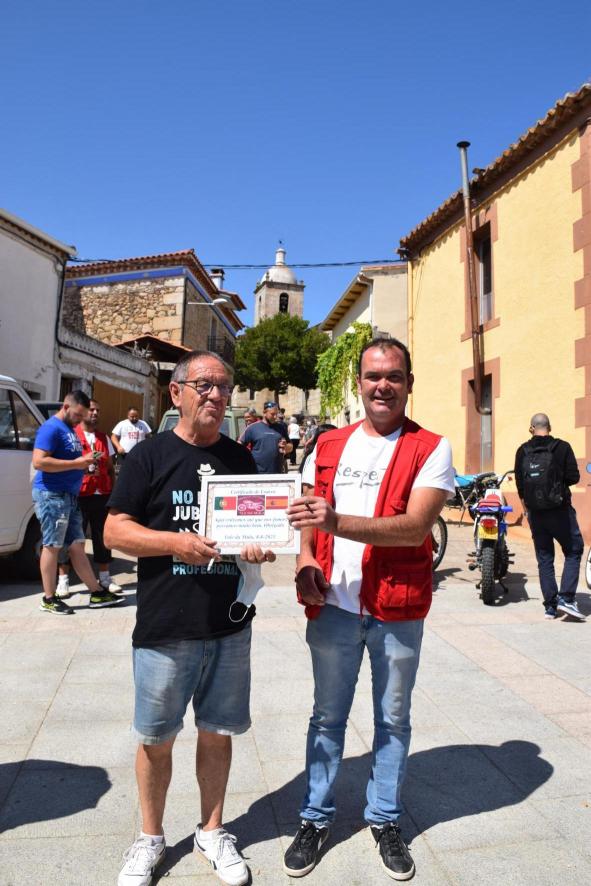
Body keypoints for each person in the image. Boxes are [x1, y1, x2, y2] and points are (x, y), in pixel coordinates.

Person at [283, 337, 454, 880]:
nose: (383, 386)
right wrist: (305, 558)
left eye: (393, 376)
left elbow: (414, 528)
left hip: (396, 608)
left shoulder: (431, 448)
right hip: (332, 606)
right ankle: (315, 817)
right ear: (358, 383)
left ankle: (385, 819)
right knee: (326, 718)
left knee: (392, 719)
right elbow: (306, 513)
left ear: (408, 383)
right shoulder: (328, 444)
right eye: (373, 376)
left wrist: (336, 523)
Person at [104, 350, 277, 886]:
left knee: (218, 733)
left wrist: (258, 546)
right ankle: (150, 838)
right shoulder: (148, 456)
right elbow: (113, 532)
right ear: (176, 392)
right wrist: (174, 543)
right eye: (204, 384)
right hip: (165, 626)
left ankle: (212, 830)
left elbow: (254, 529)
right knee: (155, 739)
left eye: (224, 386)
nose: (216, 395)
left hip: (228, 623)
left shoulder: (239, 458)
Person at [31, 391, 124, 614]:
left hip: (69, 497)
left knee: (77, 546)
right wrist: (77, 463)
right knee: (52, 546)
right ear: (66, 407)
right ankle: (48, 598)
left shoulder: (69, 429)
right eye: (78, 415)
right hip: (52, 495)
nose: (80, 419)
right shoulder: (51, 428)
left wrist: (83, 466)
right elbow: (39, 461)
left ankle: (97, 592)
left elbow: (70, 461)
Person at [514, 413, 586, 621]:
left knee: (545, 557)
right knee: (574, 549)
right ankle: (567, 598)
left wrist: (527, 511)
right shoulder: (562, 447)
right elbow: (574, 477)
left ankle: (551, 607)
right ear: (550, 427)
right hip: (560, 511)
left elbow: (520, 485)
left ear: (531, 428)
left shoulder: (522, 451)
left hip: (535, 513)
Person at [56, 400, 122, 599]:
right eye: (91, 410)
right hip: (78, 494)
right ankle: (63, 581)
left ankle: (105, 578)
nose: (95, 413)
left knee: (102, 537)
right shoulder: (71, 435)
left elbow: (109, 467)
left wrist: (114, 493)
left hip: (101, 494)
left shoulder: (104, 438)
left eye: (97, 410)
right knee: (71, 538)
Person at [238, 400, 292, 473]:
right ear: (264, 413)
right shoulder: (253, 428)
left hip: (277, 473)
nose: (275, 417)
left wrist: (285, 447)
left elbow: (290, 446)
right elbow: (239, 445)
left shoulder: (281, 428)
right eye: (272, 414)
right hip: (258, 473)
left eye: (276, 414)